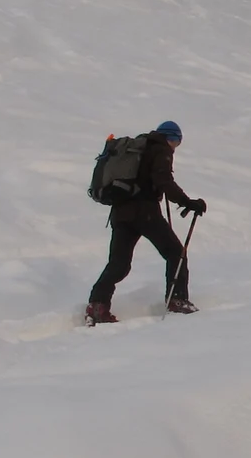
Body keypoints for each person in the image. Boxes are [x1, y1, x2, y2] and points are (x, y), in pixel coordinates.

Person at [86, 120, 206, 324]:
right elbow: (164, 181)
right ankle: (177, 301)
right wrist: (189, 203)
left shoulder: (138, 147)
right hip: (145, 212)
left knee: (119, 264)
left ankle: (97, 306)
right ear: (173, 139)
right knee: (175, 253)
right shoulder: (160, 149)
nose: (175, 148)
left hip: (120, 212)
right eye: (177, 143)